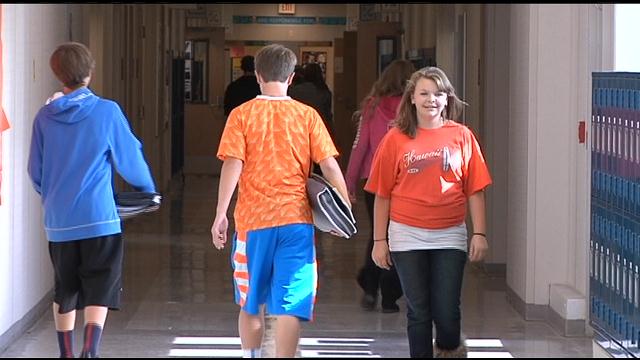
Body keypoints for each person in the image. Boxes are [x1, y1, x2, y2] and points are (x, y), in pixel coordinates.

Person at [210, 43, 349, 358]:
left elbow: (233, 163)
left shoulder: (241, 115)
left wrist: (221, 213)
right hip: (296, 221)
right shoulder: (307, 116)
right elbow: (329, 166)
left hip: (252, 223)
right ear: (292, 77)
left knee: (250, 300)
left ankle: (252, 356)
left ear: (258, 75)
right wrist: (344, 212)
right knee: (290, 304)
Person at [27, 42, 156, 358]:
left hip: (59, 222)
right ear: (90, 71)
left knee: (65, 287)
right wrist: (148, 190)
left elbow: (35, 171)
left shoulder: (44, 117)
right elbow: (129, 158)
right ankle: (90, 350)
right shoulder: (106, 111)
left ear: (57, 74)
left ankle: (66, 353)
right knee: (100, 285)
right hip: (99, 218)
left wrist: (53, 198)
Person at [364, 66, 492, 358]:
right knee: (418, 311)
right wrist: (379, 241)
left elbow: (475, 189)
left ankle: (449, 349)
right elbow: (382, 194)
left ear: (447, 99)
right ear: (411, 98)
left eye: (438, 94)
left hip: (450, 234)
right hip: (406, 234)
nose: (431, 99)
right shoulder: (395, 139)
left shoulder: (462, 136)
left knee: (447, 313)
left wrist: (480, 233)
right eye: (424, 93)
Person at [345, 59, 415, 313]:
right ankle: (390, 295)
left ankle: (370, 285)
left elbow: (359, 147)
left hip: (374, 184)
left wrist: (348, 184)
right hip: (407, 183)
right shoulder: (414, 110)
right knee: (400, 238)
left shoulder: (371, 108)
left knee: (379, 234)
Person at [288, 62, 333, 138]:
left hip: (301, 127)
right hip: (321, 128)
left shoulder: (296, 91)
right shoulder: (325, 91)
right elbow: (328, 115)